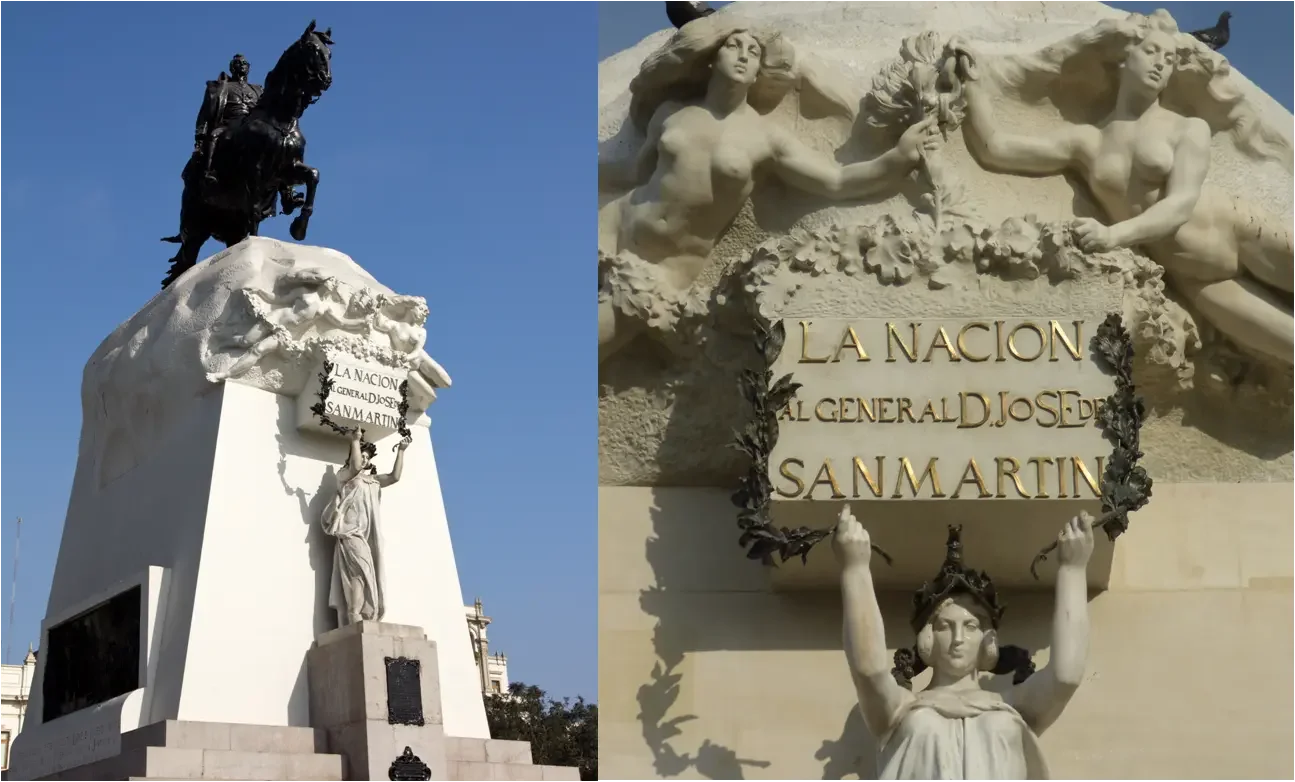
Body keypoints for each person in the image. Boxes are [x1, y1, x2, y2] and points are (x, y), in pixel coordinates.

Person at [949, 12, 1293, 367]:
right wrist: (972, 84)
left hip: (1239, 230)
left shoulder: (1188, 129)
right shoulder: (1088, 141)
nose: (1161, 64)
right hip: (1196, 279)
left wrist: (1114, 235)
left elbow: (1181, 204)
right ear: (1126, 56)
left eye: (1170, 59)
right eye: (1152, 52)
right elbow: (996, 148)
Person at [598, 17, 940, 361]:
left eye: (753, 52)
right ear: (713, 58)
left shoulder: (766, 138)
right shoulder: (671, 113)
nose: (743, 56)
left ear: (760, 69)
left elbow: (836, 181)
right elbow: (634, 171)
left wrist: (897, 158)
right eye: (733, 47)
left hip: (658, 270)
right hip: (610, 228)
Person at [833, 507, 1094, 780]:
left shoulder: (1013, 705)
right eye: (945, 626)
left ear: (987, 638)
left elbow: (1066, 676)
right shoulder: (900, 708)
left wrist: (1073, 569)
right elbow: (868, 669)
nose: (958, 638)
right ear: (929, 637)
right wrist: (855, 568)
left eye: (970, 627)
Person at [208, 270, 367, 382]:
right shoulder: (304, 292)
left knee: (257, 350)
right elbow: (278, 299)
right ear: (323, 282)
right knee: (246, 341)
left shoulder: (325, 307)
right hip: (277, 318)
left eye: (335, 283)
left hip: (286, 334)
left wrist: (361, 323)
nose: (333, 284)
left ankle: (225, 374)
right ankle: (221, 342)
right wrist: (260, 291)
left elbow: (341, 323)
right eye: (331, 281)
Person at [321, 427, 409, 625]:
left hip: (365, 538)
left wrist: (401, 451)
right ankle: (354, 614)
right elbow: (354, 467)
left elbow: (394, 477)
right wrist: (355, 440)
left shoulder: (371, 481)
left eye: (368, 457)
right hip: (350, 535)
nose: (365, 460)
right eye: (362, 456)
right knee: (361, 573)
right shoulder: (345, 477)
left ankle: (358, 613)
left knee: (365, 575)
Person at [196, 54, 263, 185]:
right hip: (229, 123)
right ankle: (208, 171)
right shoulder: (221, 87)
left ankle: (287, 190)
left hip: (254, 123)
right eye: (239, 63)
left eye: (245, 63)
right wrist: (200, 134)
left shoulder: (258, 89)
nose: (243, 65)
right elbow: (206, 111)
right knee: (214, 135)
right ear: (232, 68)